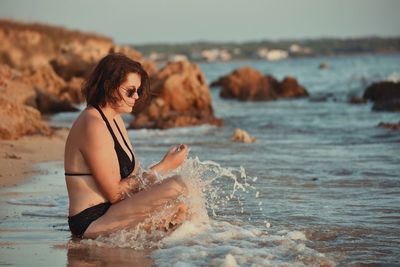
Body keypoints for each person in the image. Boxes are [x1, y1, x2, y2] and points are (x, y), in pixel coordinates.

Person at [64, 53, 189, 239]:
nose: (136, 96)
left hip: (112, 211)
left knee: (183, 205)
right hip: (92, 222)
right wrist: (164, 167)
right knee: (175, 186)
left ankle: (190, 254)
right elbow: (115, 193)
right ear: (109, 86)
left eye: (137, 91)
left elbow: (134, 178)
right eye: (130, 91)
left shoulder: (114, 119)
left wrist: (158, 178)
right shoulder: (93, 125)